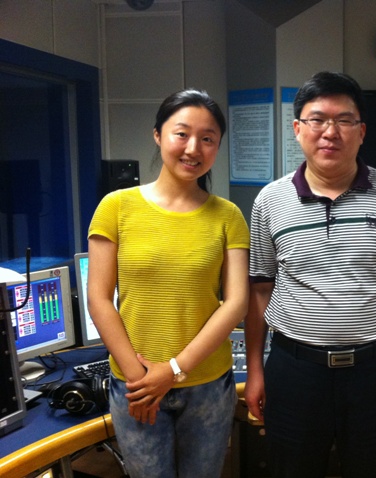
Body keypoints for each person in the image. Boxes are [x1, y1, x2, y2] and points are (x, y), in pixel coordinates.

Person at [244, 71, 376, 478]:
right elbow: (260, 290)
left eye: (344, 120)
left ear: (361, 131)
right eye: (317, 119)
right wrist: (256, 370)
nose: (330, 132)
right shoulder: (269, 201)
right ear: (298, 129)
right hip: (294, 370)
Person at [87, 89, 249, 478]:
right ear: (158, 135)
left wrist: (174, 369)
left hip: (207, 385)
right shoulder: (116, 207)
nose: (193, 148)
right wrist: (140, 378)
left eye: (207, 138)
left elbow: (236, 303)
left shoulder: (228, 216)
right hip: (136, 384)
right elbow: (99, 298)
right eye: (182, 133)